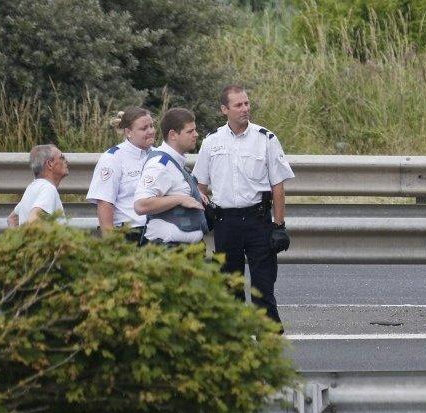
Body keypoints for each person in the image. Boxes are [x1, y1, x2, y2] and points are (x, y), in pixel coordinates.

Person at [192, 85, 294, 327]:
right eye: (238, 105)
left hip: (257, 220)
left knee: (263, 286)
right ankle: (235, 340)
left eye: (247, 103)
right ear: (224, 109)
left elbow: (278, 184)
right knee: (230, 285)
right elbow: (200, 186)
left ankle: (267, 340)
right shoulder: (211, 142)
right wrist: (200, 218)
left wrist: (279, 225)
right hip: (225, 222)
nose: (245, 109)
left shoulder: (266, 139)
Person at [133, 108, 207, 246]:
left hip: (185, 251)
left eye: (195, 130)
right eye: (190, 131)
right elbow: (140, 205)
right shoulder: (160, 164)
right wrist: (180, 199)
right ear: (173, 134)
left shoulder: (177, 162)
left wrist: (195, 194)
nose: (196, 134)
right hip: (167, 251)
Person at [86, 107, 155, 244]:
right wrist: (112, 243)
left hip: (157, 233)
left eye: (152, 126)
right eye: (144, 128)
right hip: (129, 234)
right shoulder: (113, 158)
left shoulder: (159, 155)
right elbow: (105, 203)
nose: (151, 131)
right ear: (128, 132)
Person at [7, 144, 69, 226]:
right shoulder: (48, 189)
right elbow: (33, 221)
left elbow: (12, 219)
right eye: (62, 157)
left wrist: (20, 238)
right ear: (50, 164)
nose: (66, 161)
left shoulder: (32, 188)